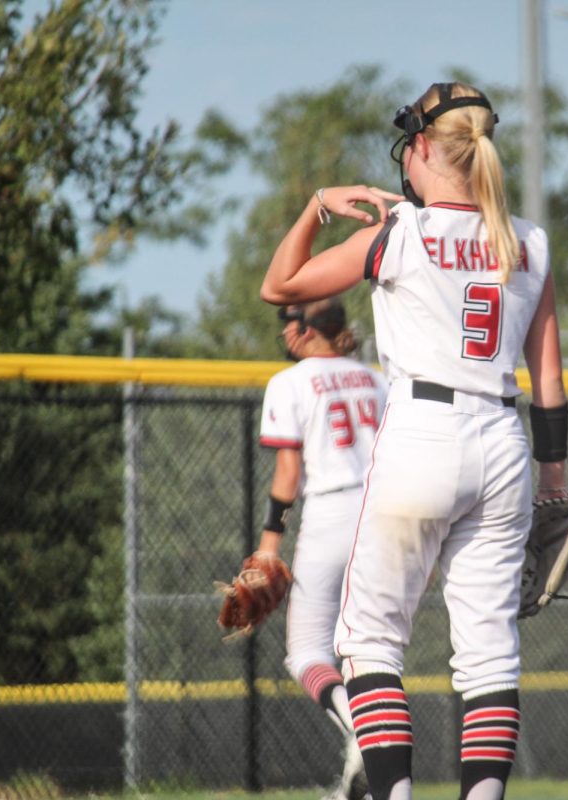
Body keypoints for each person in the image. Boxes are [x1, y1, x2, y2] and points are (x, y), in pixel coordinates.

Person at [259, 82, 568, 800]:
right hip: (504, 443)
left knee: (369, 643)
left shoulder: (399, 233)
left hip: (423, 435)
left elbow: (281, 286)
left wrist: (315, 207)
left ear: (423, 148)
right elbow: (548, 379)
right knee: (489, 656)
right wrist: (553, 479)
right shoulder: (528, 240)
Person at [257, 297, 387, 800]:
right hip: (385, 514)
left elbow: (289, 472)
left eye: (289, 321)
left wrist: (271, 541)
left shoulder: (290, 381)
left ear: (305, 330)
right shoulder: (377, 378)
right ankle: (363, 769)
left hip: (332, 514)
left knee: (307, 652)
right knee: (373, 649)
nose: (285, 332)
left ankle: (365, 732)